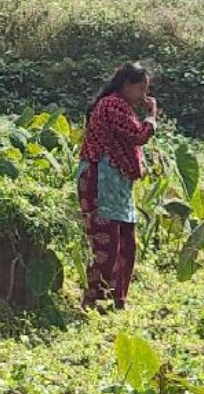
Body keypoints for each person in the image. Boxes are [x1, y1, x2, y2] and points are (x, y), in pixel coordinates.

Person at [77, 62, 158, 310]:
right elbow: (139, 135)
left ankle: (117, 298)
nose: (144, 95)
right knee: (106, 243)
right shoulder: (112, 105)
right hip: (100, 180)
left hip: (117, 184)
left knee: (126, 242)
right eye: (141, 88)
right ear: (127, 85)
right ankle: (92, 298)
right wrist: (152, 116)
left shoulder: (120, 106)